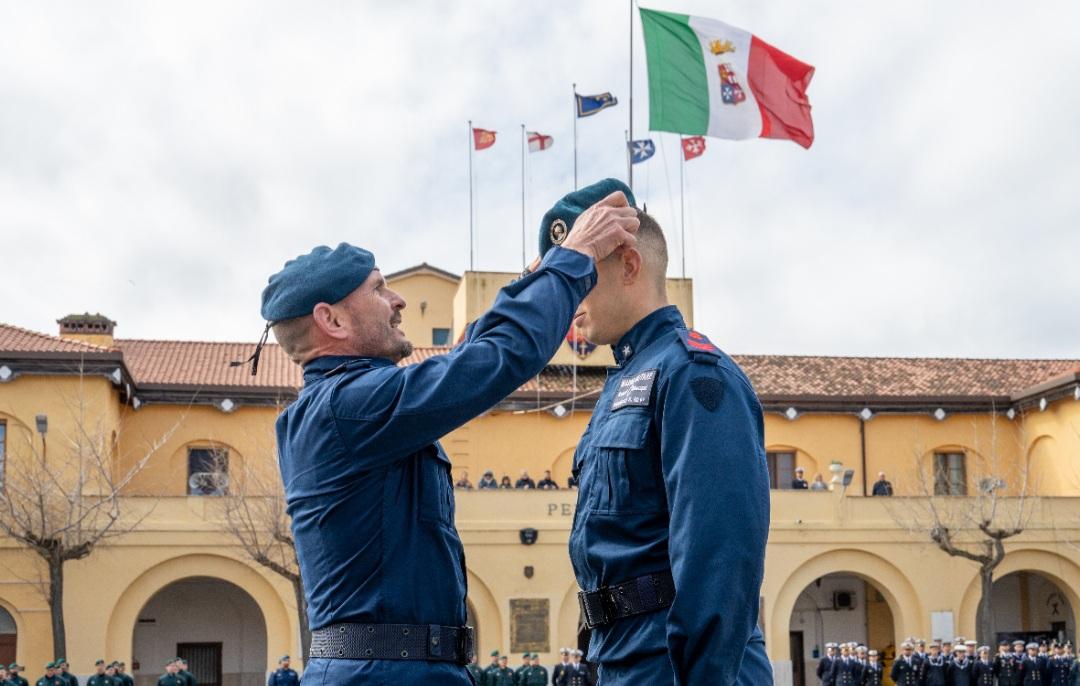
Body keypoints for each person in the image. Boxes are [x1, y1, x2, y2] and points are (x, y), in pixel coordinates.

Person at [265, 192, 636, 685]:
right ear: (331, 320)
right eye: (379, 290)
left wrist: (538, 278)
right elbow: (494, 358)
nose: (397, 302)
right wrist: (574, 259)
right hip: (385, 675)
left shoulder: (344, 405)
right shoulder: (351, 406)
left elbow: (469, 354)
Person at [556, 180, 771, 684]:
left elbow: (719, 553)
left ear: (629, 265)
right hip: (627, 659)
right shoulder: (623, 382)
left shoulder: (694, 373)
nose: (570, 298)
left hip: (679, 664)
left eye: (580, 276)